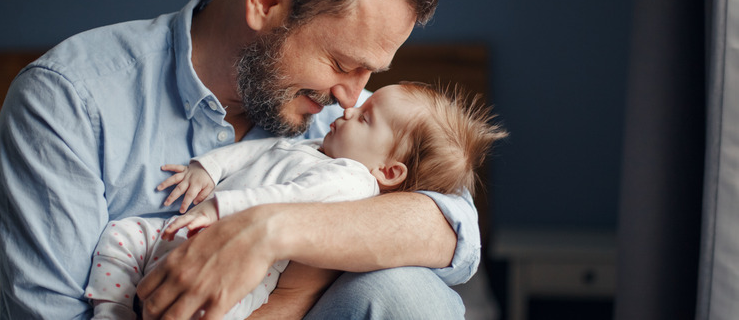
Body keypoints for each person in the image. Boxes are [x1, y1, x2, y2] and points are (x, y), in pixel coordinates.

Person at [0, 0, 480, 319]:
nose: (353, 97)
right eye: (341, 63)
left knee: (409, 295)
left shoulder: (354, 122)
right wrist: (301, 287)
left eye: (370, 74)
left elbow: (454, 227)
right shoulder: (67, 101)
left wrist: (270, 229)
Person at [85, 83, 507, 319]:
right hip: (182, 234)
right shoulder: (314, 143)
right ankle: (112, 310)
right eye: (343, 63)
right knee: (122, 235)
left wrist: (230, 213)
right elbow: (253, 153)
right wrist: (209, 170)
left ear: (390, 172)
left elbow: (285, 200)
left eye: (364, 116)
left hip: (246, 276)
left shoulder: (349, 180)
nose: (348, 102)